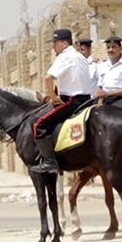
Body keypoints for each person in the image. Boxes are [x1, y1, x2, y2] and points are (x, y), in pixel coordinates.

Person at [31, 28, 92, 173]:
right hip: (87, 99)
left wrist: (53, 98)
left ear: (64, 43)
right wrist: (51, 94)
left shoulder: (65, 56)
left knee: (38, 123)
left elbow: (48, 77)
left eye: (55, 42)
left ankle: (49, 161)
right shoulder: (79, 56)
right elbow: (72, 79)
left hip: (71, 100)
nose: (53, 46)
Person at [95, 36, 122, 112]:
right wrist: (98, 92)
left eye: (113, 47)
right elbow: (100, 86)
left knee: (121, 119)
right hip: (105, 101)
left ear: (121, 48)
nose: (110, 50)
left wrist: (107, 93)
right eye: (108, 47)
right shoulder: (103, 65)